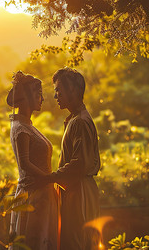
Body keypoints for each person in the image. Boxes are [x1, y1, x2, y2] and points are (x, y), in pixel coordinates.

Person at [43, 67, 101, 250]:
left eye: (59, 90)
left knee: (78, 242)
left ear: (74, 91)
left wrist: (51, 177)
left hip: (80, 191)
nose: (56, 96)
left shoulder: (80, 122)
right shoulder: (75, 119)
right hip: (75, 190)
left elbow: (80, 164)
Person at [7, 71, 58, 250]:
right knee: (35, 241)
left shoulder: (27, 125)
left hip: (43, 193)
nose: (42, 99)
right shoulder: (21, 128)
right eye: (38, 95)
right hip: (33, 195)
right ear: (28, 97)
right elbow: (25, 164)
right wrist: (51, 178)